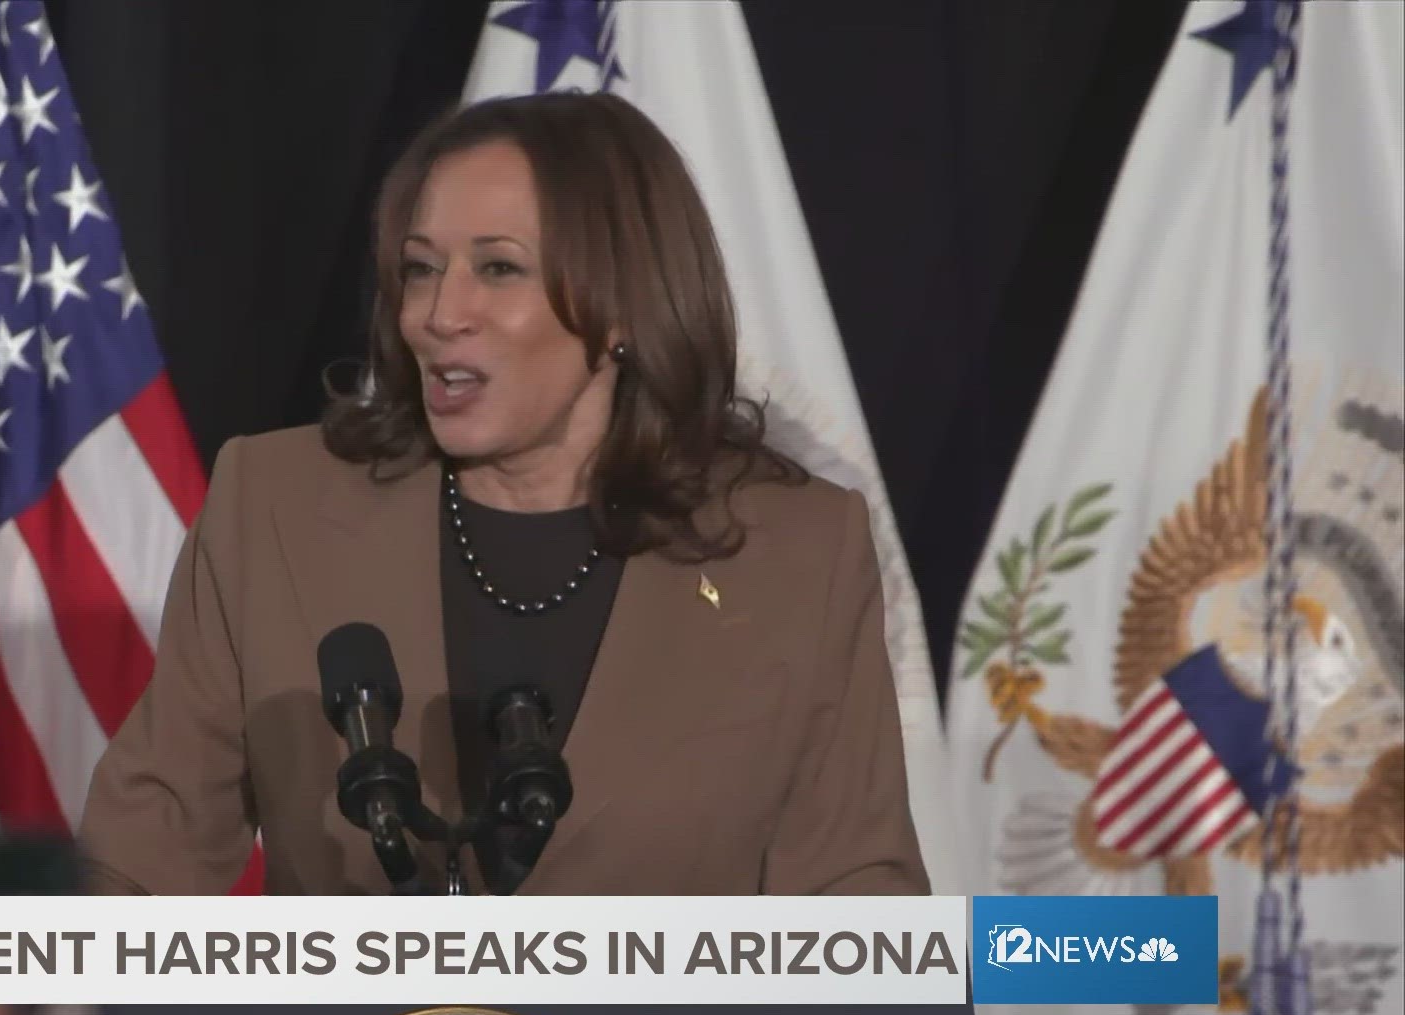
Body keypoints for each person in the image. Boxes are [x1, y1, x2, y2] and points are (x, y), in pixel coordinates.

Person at [79, 91, 929, 897]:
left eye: (498, 268)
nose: (439, 313)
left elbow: (856, 911)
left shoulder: (796, 550)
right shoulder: (272, 508)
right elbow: (139, 864)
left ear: (622, 305)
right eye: (420, 270)